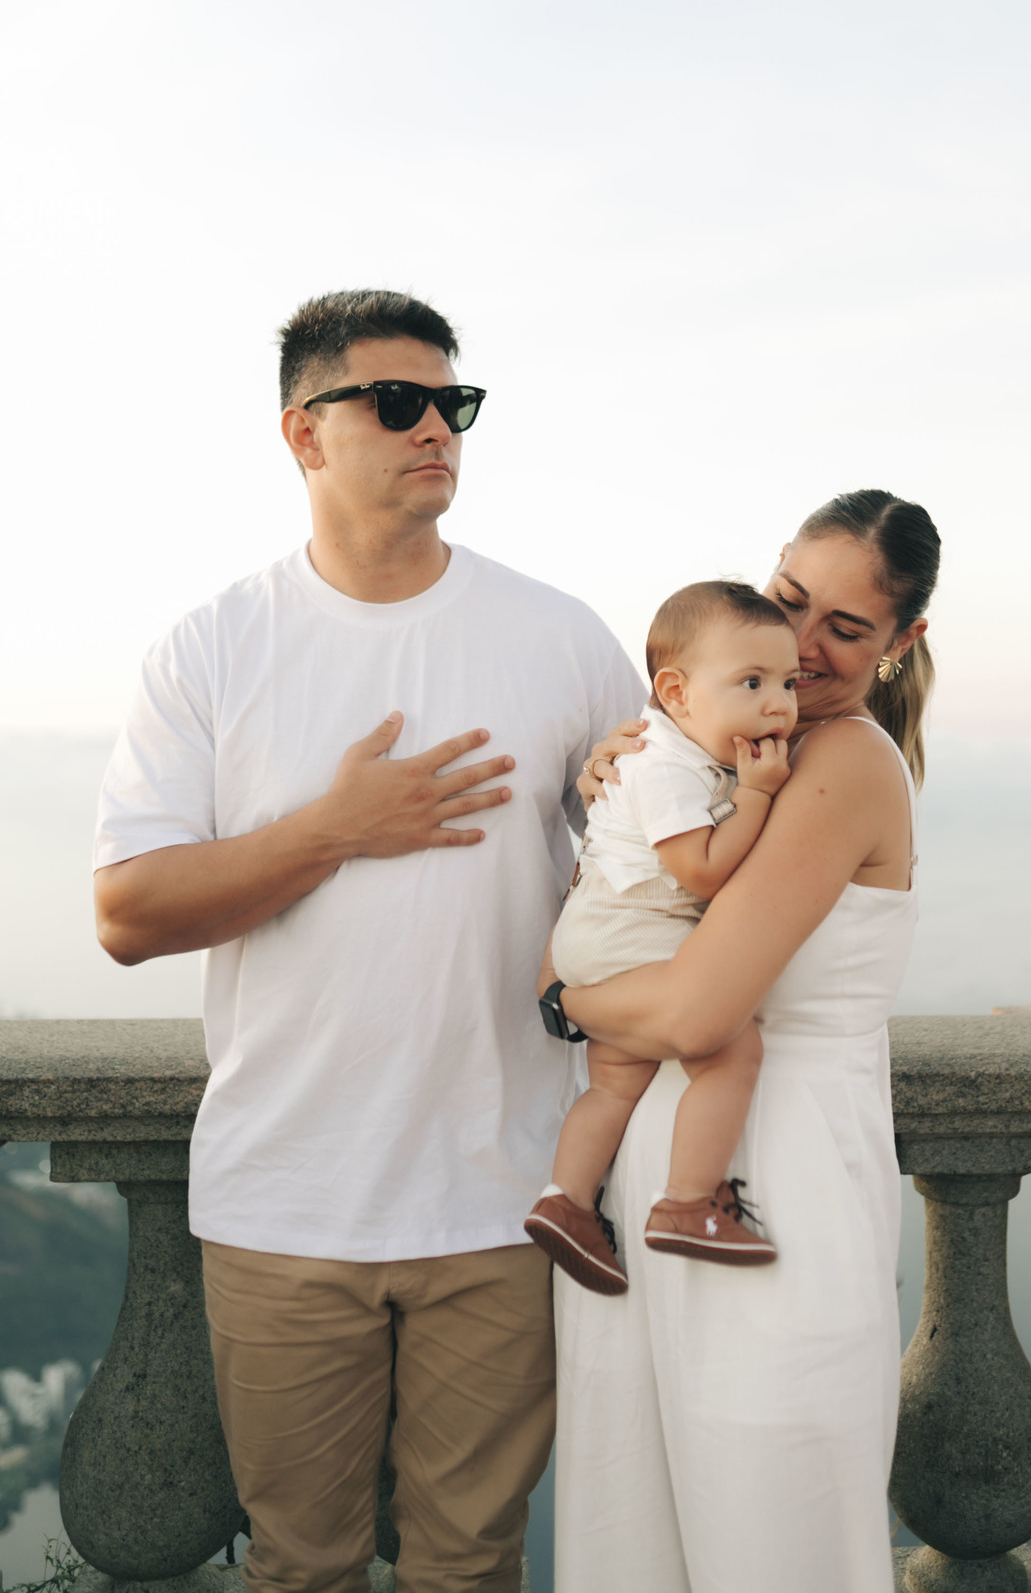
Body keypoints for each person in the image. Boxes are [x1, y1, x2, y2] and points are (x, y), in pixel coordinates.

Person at [92, 289, 645, 1593]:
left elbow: (655, 870)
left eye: (455, 404)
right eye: (398, 403)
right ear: (305, 433)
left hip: (506, 1196)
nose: (436, 428)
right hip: (286, 1199)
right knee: (302, 1568)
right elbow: (127, 914)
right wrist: (333, 829)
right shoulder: (213, 648)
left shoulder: (558, 635)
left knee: (472, 1566)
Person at [546, 489, 940, 1593]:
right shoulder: (706, 753)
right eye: (789, 598)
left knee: (772, 1533)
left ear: (902, 642)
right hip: (653, 1183)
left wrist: (566, 1002)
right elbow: (612, 928)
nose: (801, 646)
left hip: (777, 1186)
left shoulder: (842, 762)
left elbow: (692, 1015)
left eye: (846, 628)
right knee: (636, 1525)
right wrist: (623, 805)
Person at [526, 580, 799, 1293]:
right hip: (629, 933)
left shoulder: (677, 750)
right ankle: (687, 1201)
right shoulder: (663, 765)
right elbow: (700, 869)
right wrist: (756, 795)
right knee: (733, 1048)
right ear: (676, 692)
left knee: (615, 1081)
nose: (779, 702)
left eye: (789, 682)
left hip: (599, 939)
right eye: (753, 682)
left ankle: (566, 1201)